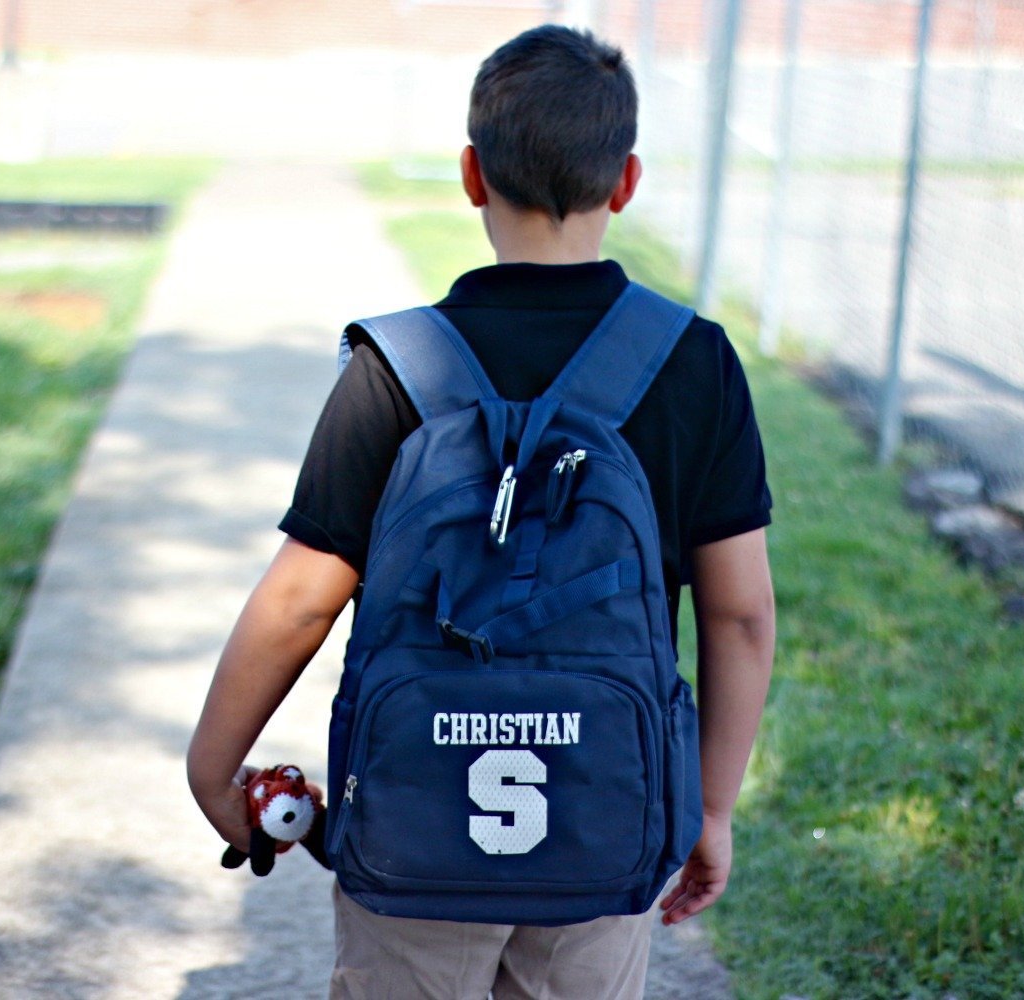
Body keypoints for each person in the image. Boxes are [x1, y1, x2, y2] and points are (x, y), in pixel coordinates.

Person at [187, 23, 776, 1000]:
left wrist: (217, 766)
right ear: (625, 182)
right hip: (599, 819)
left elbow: (300, 598)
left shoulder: (396, 370)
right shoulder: (694, 362)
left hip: (416, 818)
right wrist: (708, 807)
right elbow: (741, 615)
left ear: (471, 175)